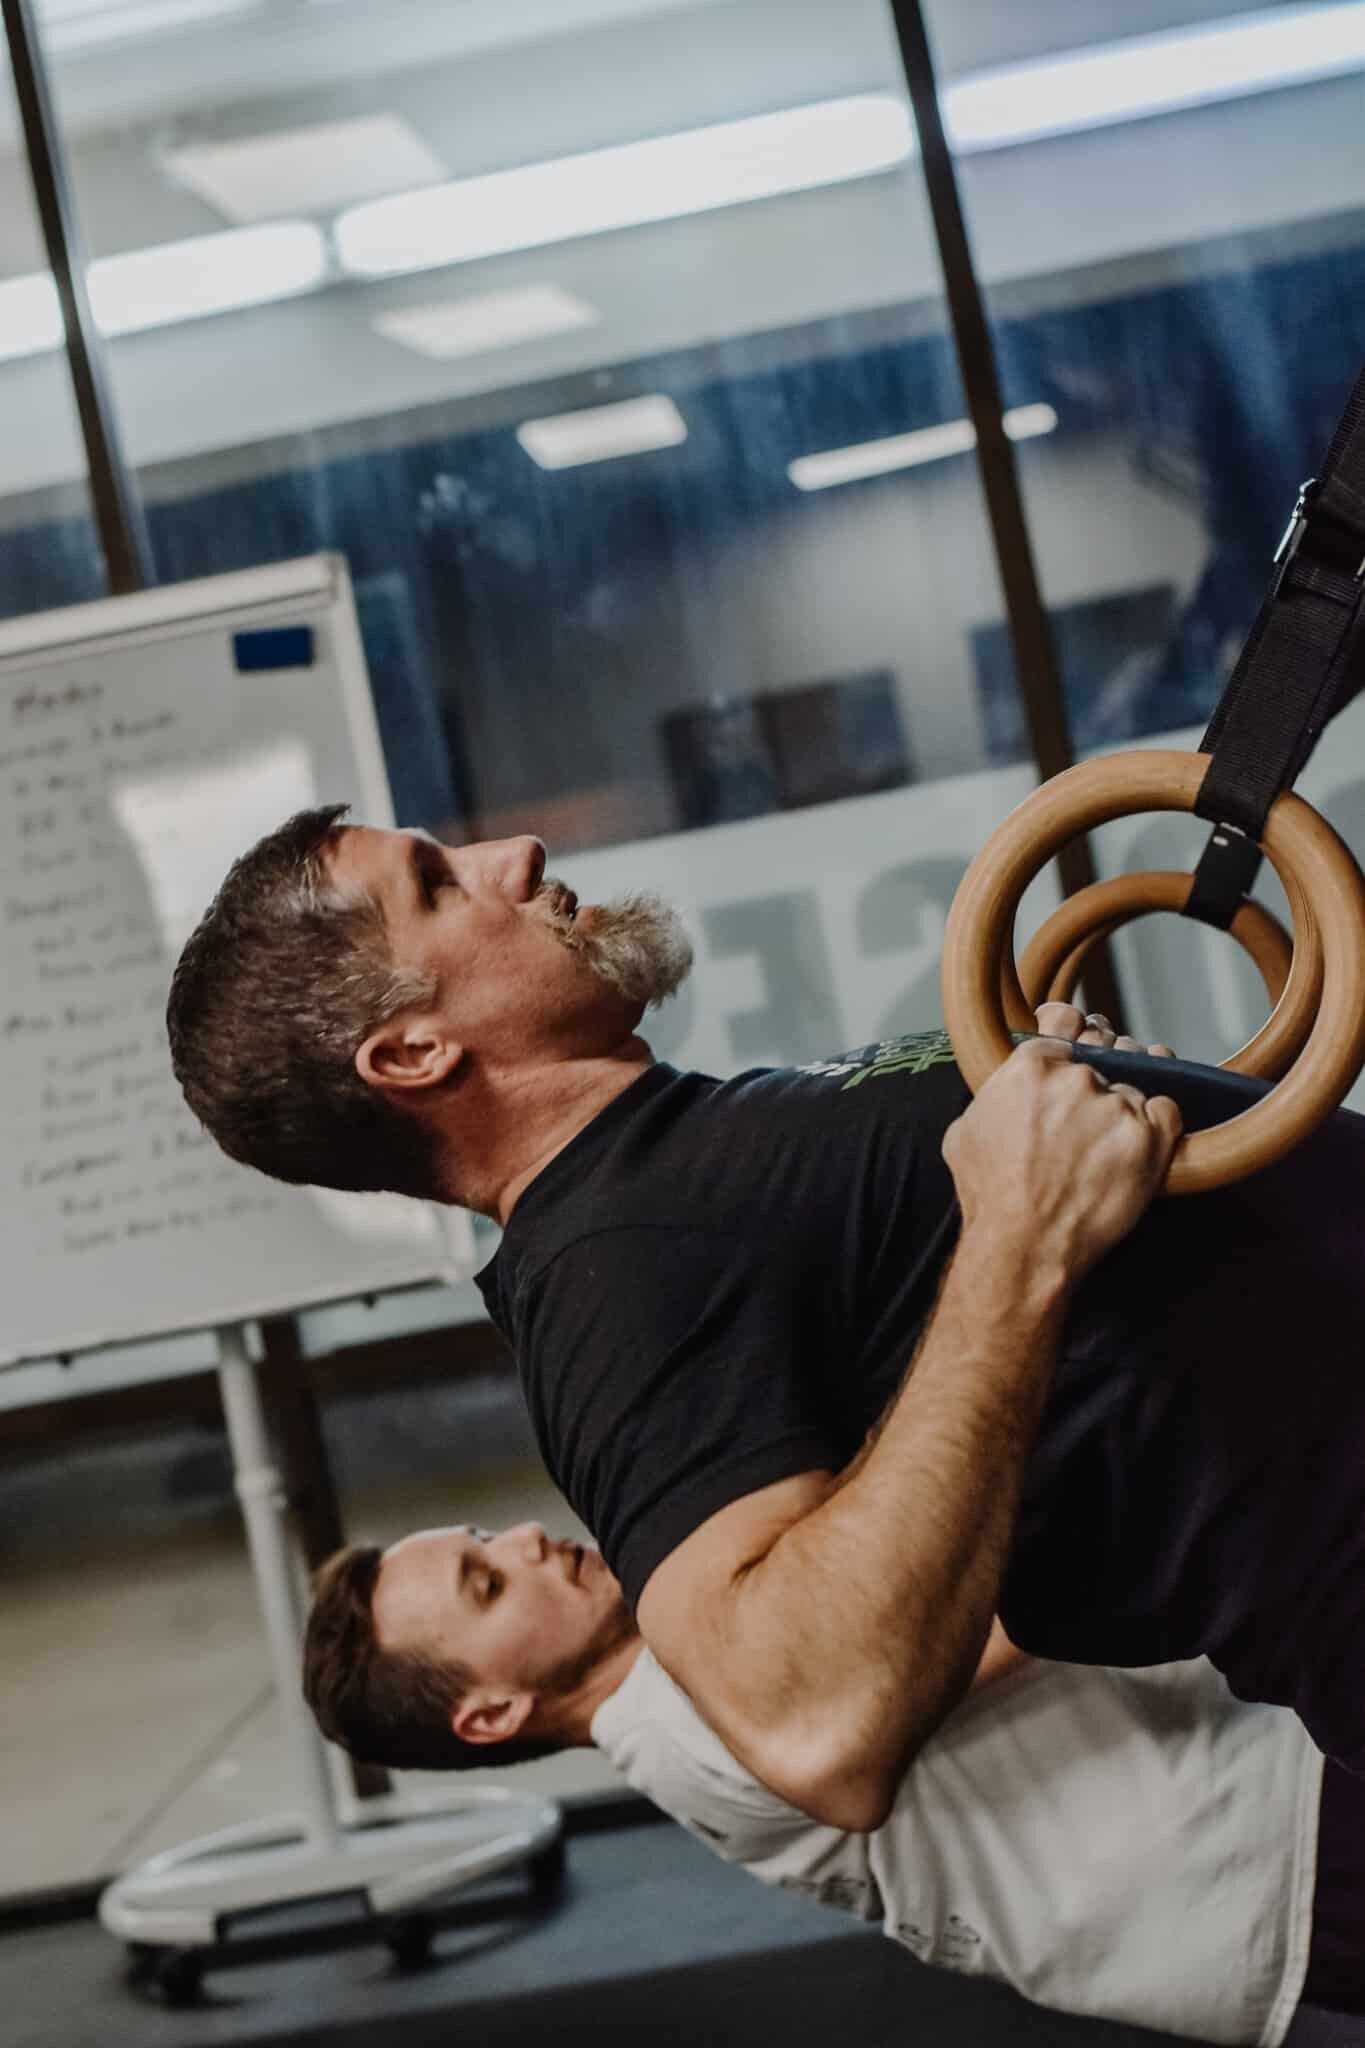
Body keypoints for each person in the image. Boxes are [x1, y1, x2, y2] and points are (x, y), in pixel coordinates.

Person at [166, 812, 1365, 1847]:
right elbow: (815, 1724)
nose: (515, 853)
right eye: (437, 882)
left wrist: (1081, 1117)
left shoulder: (670, 1160)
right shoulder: (605, 1272)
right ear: (415, 1050)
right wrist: (1021, 1234)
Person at [300, 1519, 1365, 2040]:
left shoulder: (688, 1655)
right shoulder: (691, 1720)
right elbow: (1000, 1607)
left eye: (487, 1537)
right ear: (490, 1711)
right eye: (489, 1581)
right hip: (1281, 1857)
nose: (527, 1538)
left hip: (1267, 1827)